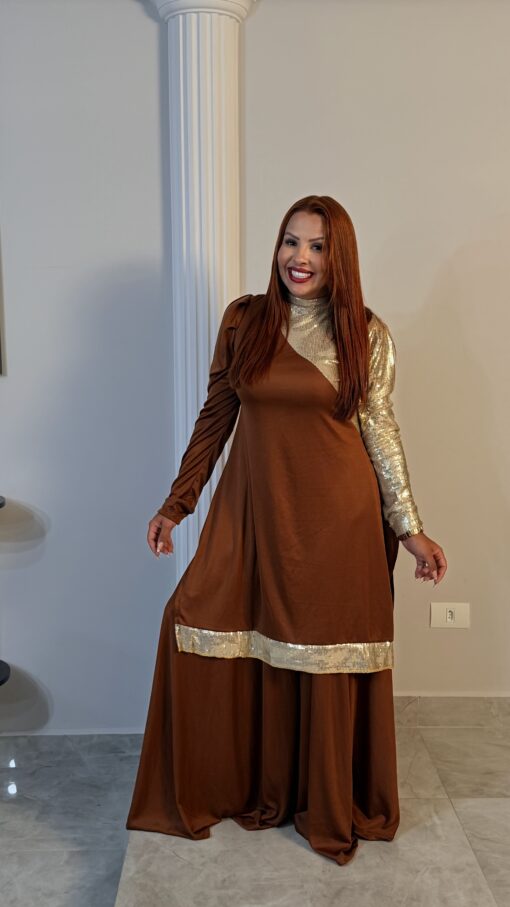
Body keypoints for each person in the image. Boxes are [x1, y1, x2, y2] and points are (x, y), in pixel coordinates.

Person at [126, 195, 447, 866]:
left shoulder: (365, 333)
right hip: (252, 512)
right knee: (192, 617)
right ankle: (244, 785)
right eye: (290, 241)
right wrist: (176, 505)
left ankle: (322, 798)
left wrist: (410, 527)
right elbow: (215, 418)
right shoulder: (245, 321)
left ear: (339, 258)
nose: (299, 258)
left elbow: (380, 432)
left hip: (338, 519)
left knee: (321, 653)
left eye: (317, 247)